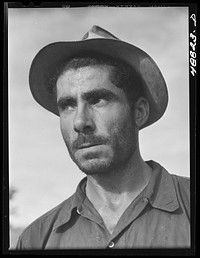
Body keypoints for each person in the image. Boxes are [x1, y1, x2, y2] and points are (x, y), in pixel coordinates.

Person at [16, 25, 190, 249]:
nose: (80, 122)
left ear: (139, 112)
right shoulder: (36, 240)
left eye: (98, 99)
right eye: (68, 105)